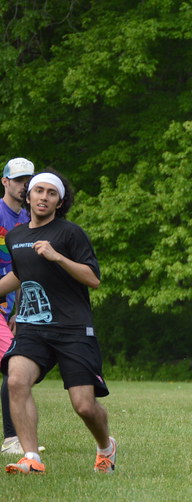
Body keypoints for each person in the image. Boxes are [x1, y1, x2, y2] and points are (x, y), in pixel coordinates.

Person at [2, 170, 116, 475]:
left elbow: (93, 279)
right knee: (16, 380)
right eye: (38, 191)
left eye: (51, 193)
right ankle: (31, 457)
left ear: (59, 201)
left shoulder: (70, 234)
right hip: (31, 327)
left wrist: (58, 257)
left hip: (72, 328)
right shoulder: (15, 236)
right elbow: (20, 274)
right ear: (27, 196)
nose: (44, 197)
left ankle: (106, 446)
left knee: (84, 406)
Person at [0, 157, 34, 457]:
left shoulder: (27, 221)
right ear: (5, 182)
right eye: (19, 179)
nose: (24, 185)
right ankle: (12, 438)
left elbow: (26, 271)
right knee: (14, 364)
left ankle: (14, 437)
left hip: (10, 306)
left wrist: (18, 311)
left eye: (28, 180)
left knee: (15, 365)